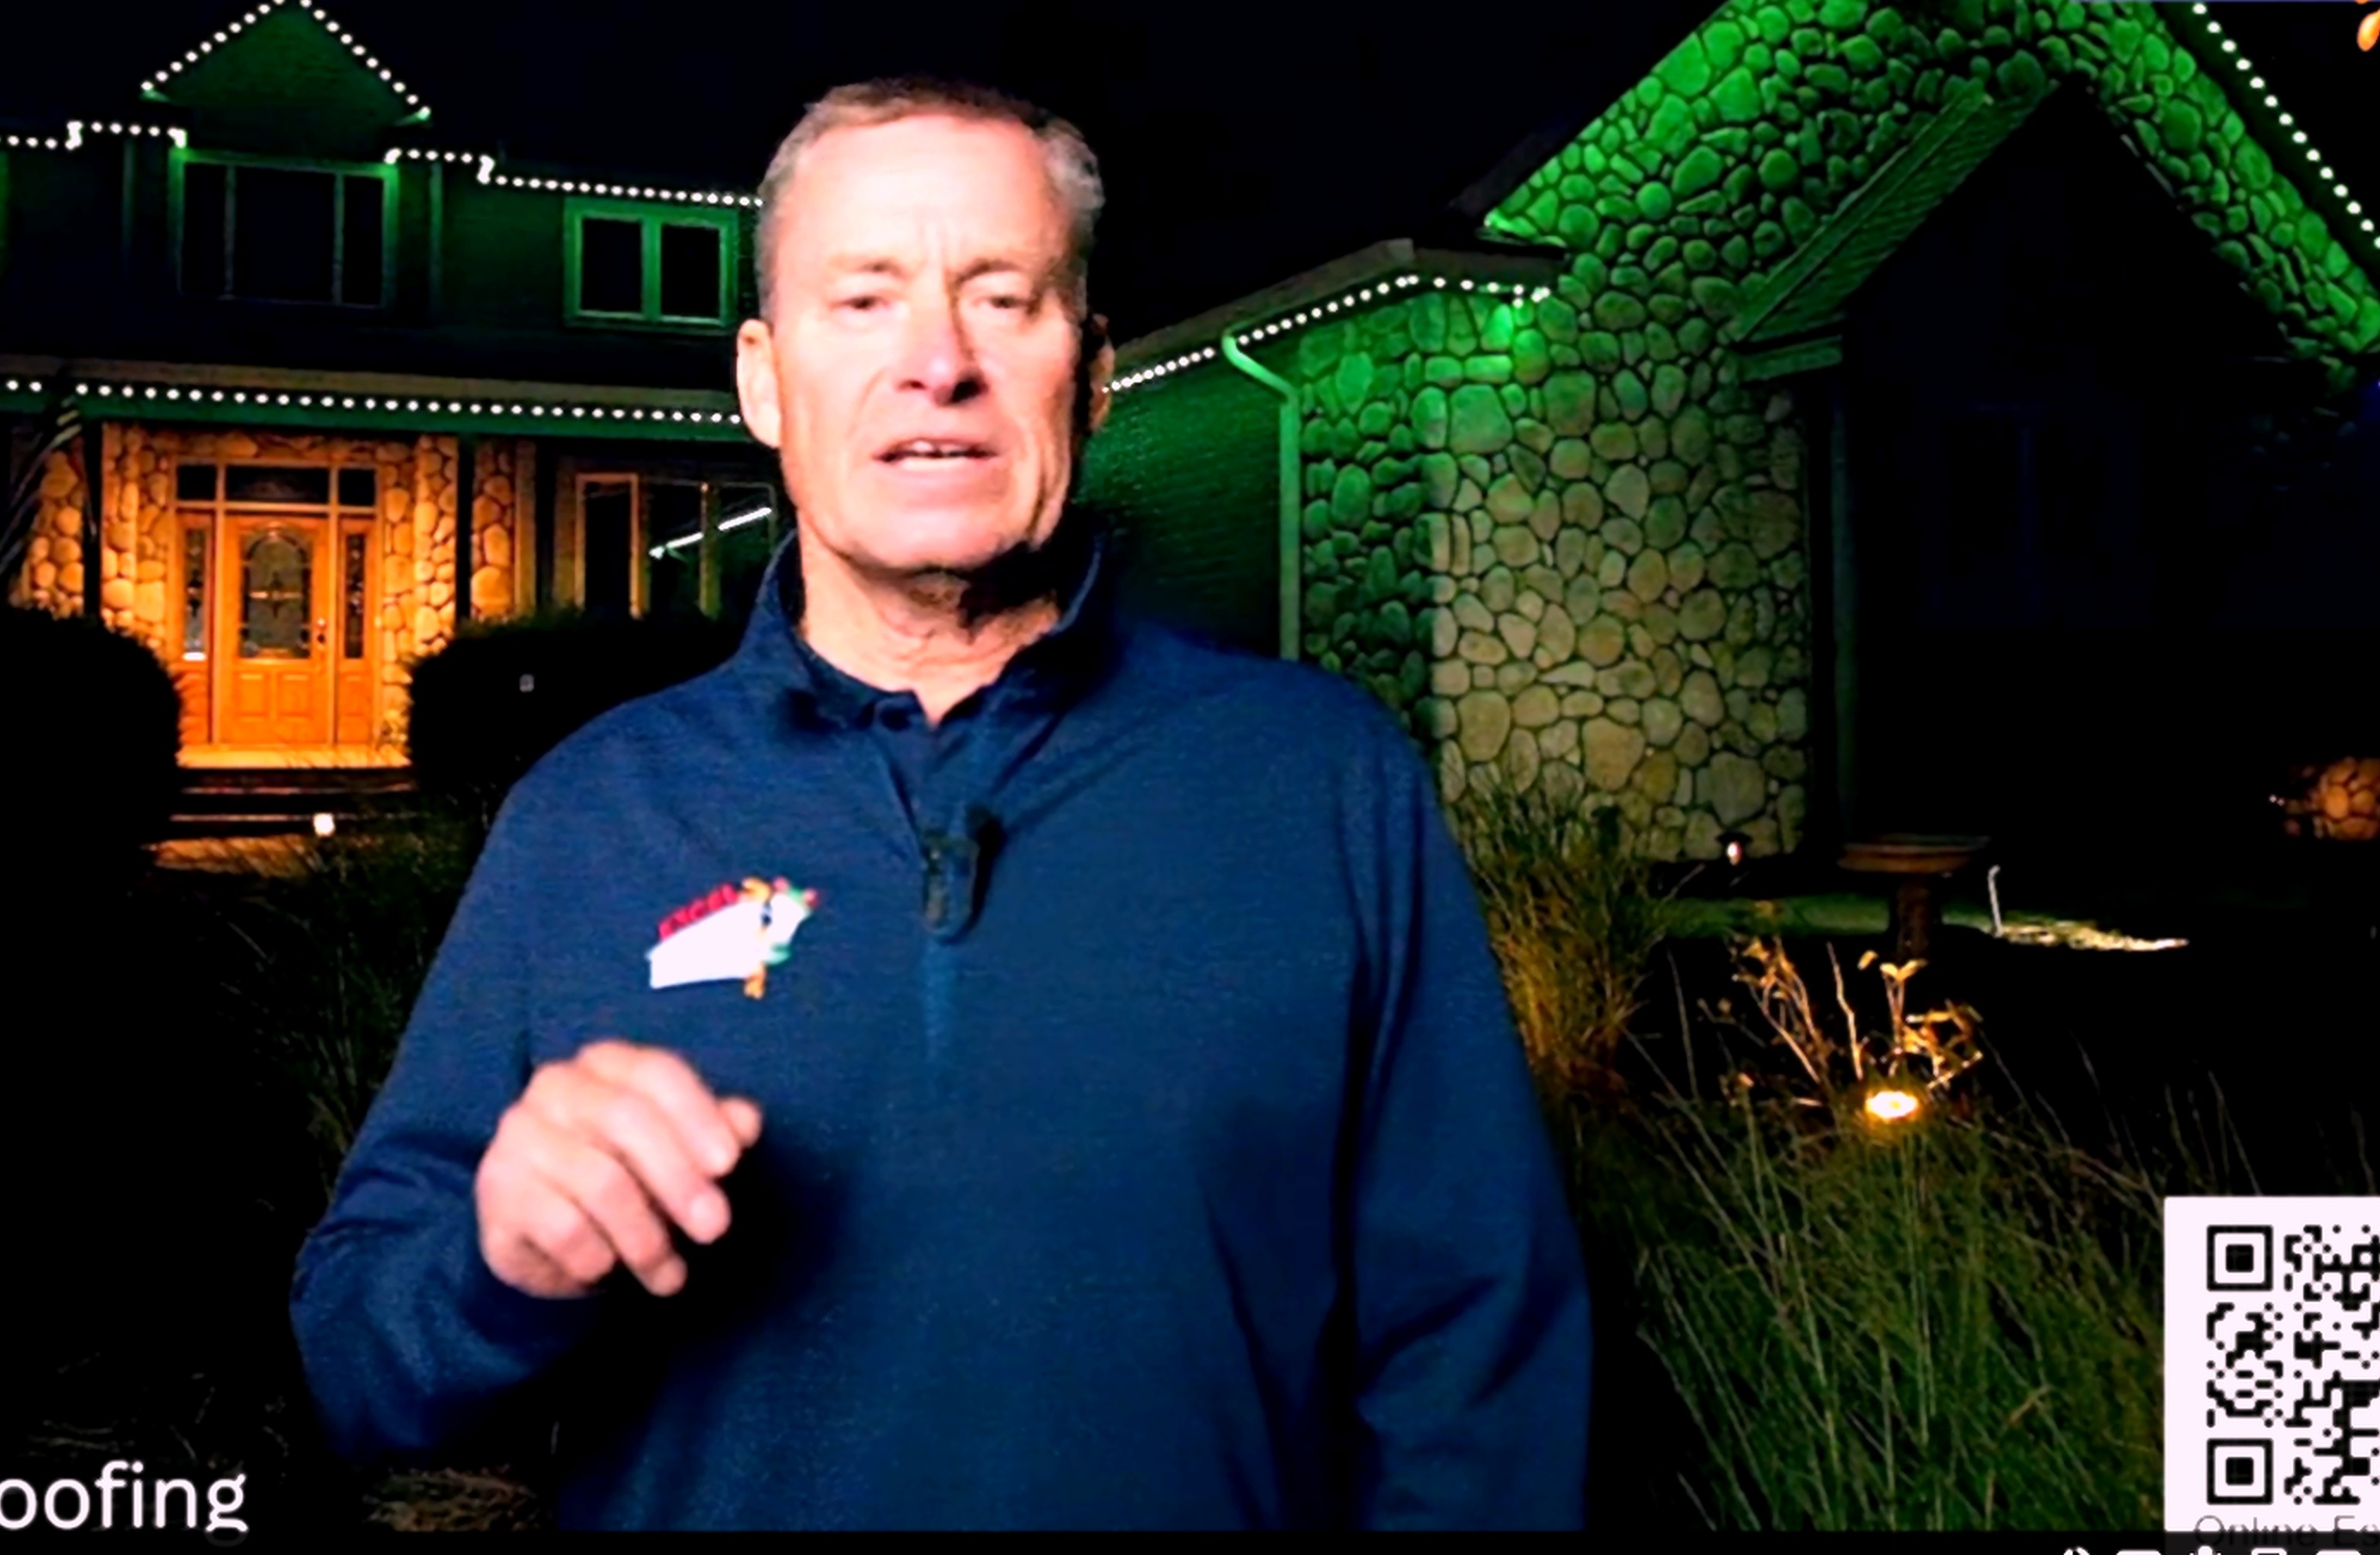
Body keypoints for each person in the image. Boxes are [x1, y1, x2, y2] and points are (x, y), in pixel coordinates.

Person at [289, 78, 1592, 1529]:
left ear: (1090, 372)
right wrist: (495, 1261)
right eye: (863, 300)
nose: (937, 364)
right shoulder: (592, 813)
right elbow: (356, 1362)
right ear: (764, 381)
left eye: (1002, 298)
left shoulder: (1324, 784)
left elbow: (1483, 1368)